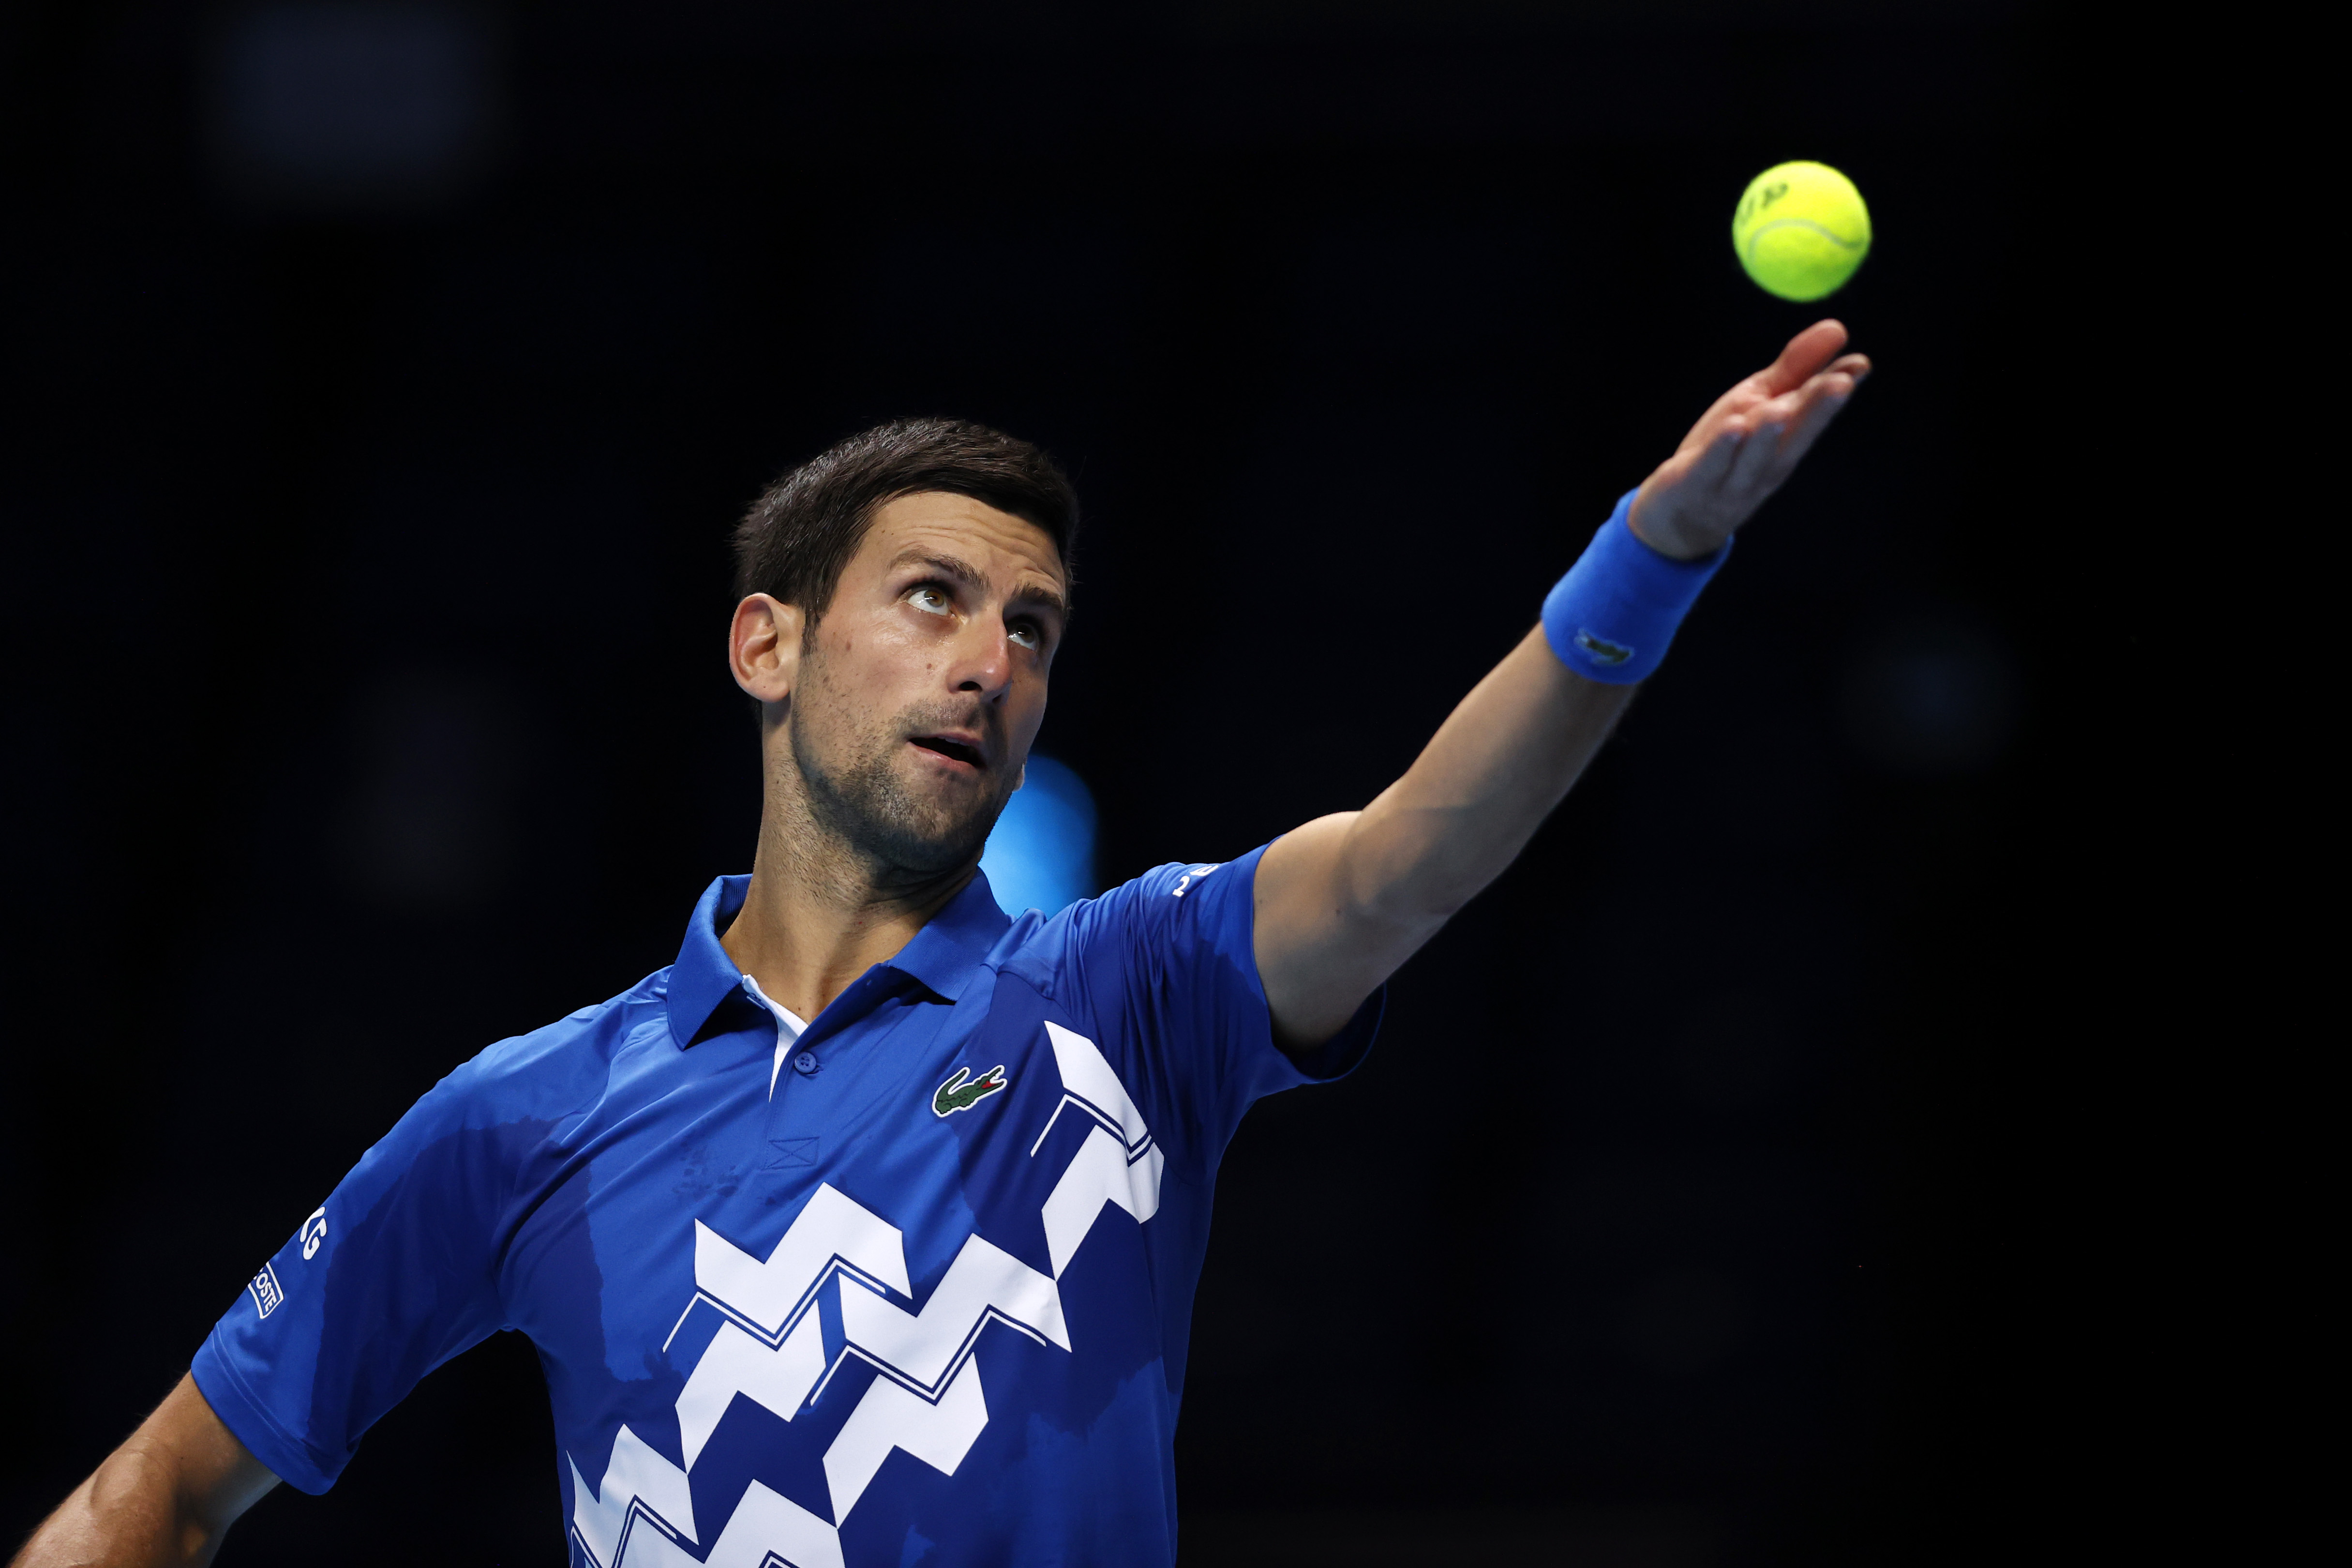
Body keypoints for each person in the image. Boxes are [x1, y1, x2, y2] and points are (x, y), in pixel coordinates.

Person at [12, 322, 1868, 1568]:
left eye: (1033, 628)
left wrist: (1651, 556)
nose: (992, 661)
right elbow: (159, 1486)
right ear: (768, 645)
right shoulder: (525, 1117)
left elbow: (1412, 859)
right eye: (933, 598)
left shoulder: (1131, 991)